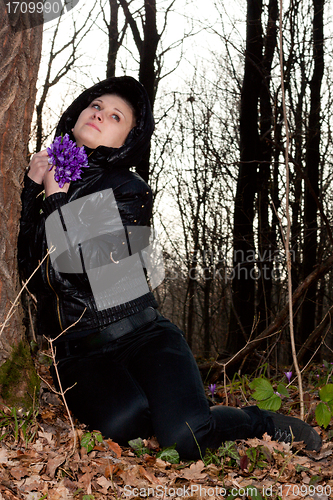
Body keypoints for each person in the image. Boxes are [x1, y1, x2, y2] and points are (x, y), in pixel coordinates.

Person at [18, 76, 322, 459]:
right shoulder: (43, 178)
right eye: (96, 106)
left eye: (116, 116)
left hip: (142, 335)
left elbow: (88, 270)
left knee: (184, 440)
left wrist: (55, 199)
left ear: (125, 141)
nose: (100, 115)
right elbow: (28, 270)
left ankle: (255, 421)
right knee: (124, 426)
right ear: (77, 112)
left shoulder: (127, 190)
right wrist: (32, 187)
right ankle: (175, 412)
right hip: (79, 352)